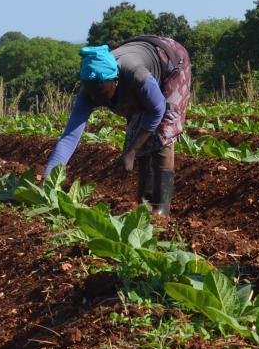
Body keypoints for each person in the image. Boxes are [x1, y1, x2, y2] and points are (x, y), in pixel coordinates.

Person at [42, 35, 192, 216]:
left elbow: (157, 110)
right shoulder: (89, 93)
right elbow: (69, 137)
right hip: (137, 56)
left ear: (115, 81)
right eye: (92, 94)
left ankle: (161, 208)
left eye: (101, 93)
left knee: (163, 130)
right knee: (138, 130)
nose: (97, 99)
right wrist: (48, 179)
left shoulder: (136, 75)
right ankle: (145, 203)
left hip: (171, 60)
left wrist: (132, 151)